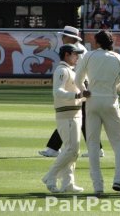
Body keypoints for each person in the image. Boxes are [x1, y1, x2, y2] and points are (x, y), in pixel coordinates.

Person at [75, 30, 120, 195]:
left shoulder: (89, 56)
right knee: (119, 143)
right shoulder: (119, 58)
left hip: (92, 100)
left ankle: (98, 187)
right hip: (110, 101)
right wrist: (112, 88)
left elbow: (77, 80)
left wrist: (84, 90)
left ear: (97, 43)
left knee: (92, 144)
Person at [38, 26, 104, 158]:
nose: (62, 38)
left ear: (71, 38)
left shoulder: (78, 51)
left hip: (81, 87)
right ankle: (54, 148)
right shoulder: (74, 49)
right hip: (78, 86)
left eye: (64, 36)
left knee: (73, 117)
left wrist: (80, 90)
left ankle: (54, 148)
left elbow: (80, 72)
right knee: (73, 117)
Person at [42, 44, 91, 193]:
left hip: (74, 114)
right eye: (75, 54)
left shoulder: (70, 70)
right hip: (67, 115)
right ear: (67, 55)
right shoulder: (62, 70)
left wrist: (84, 97)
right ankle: (50, 176)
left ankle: (68, 183)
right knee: (71, 149)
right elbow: (58, 92)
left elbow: (77, 95)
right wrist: (77, 96)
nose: (77, 57)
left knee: (72, 151)